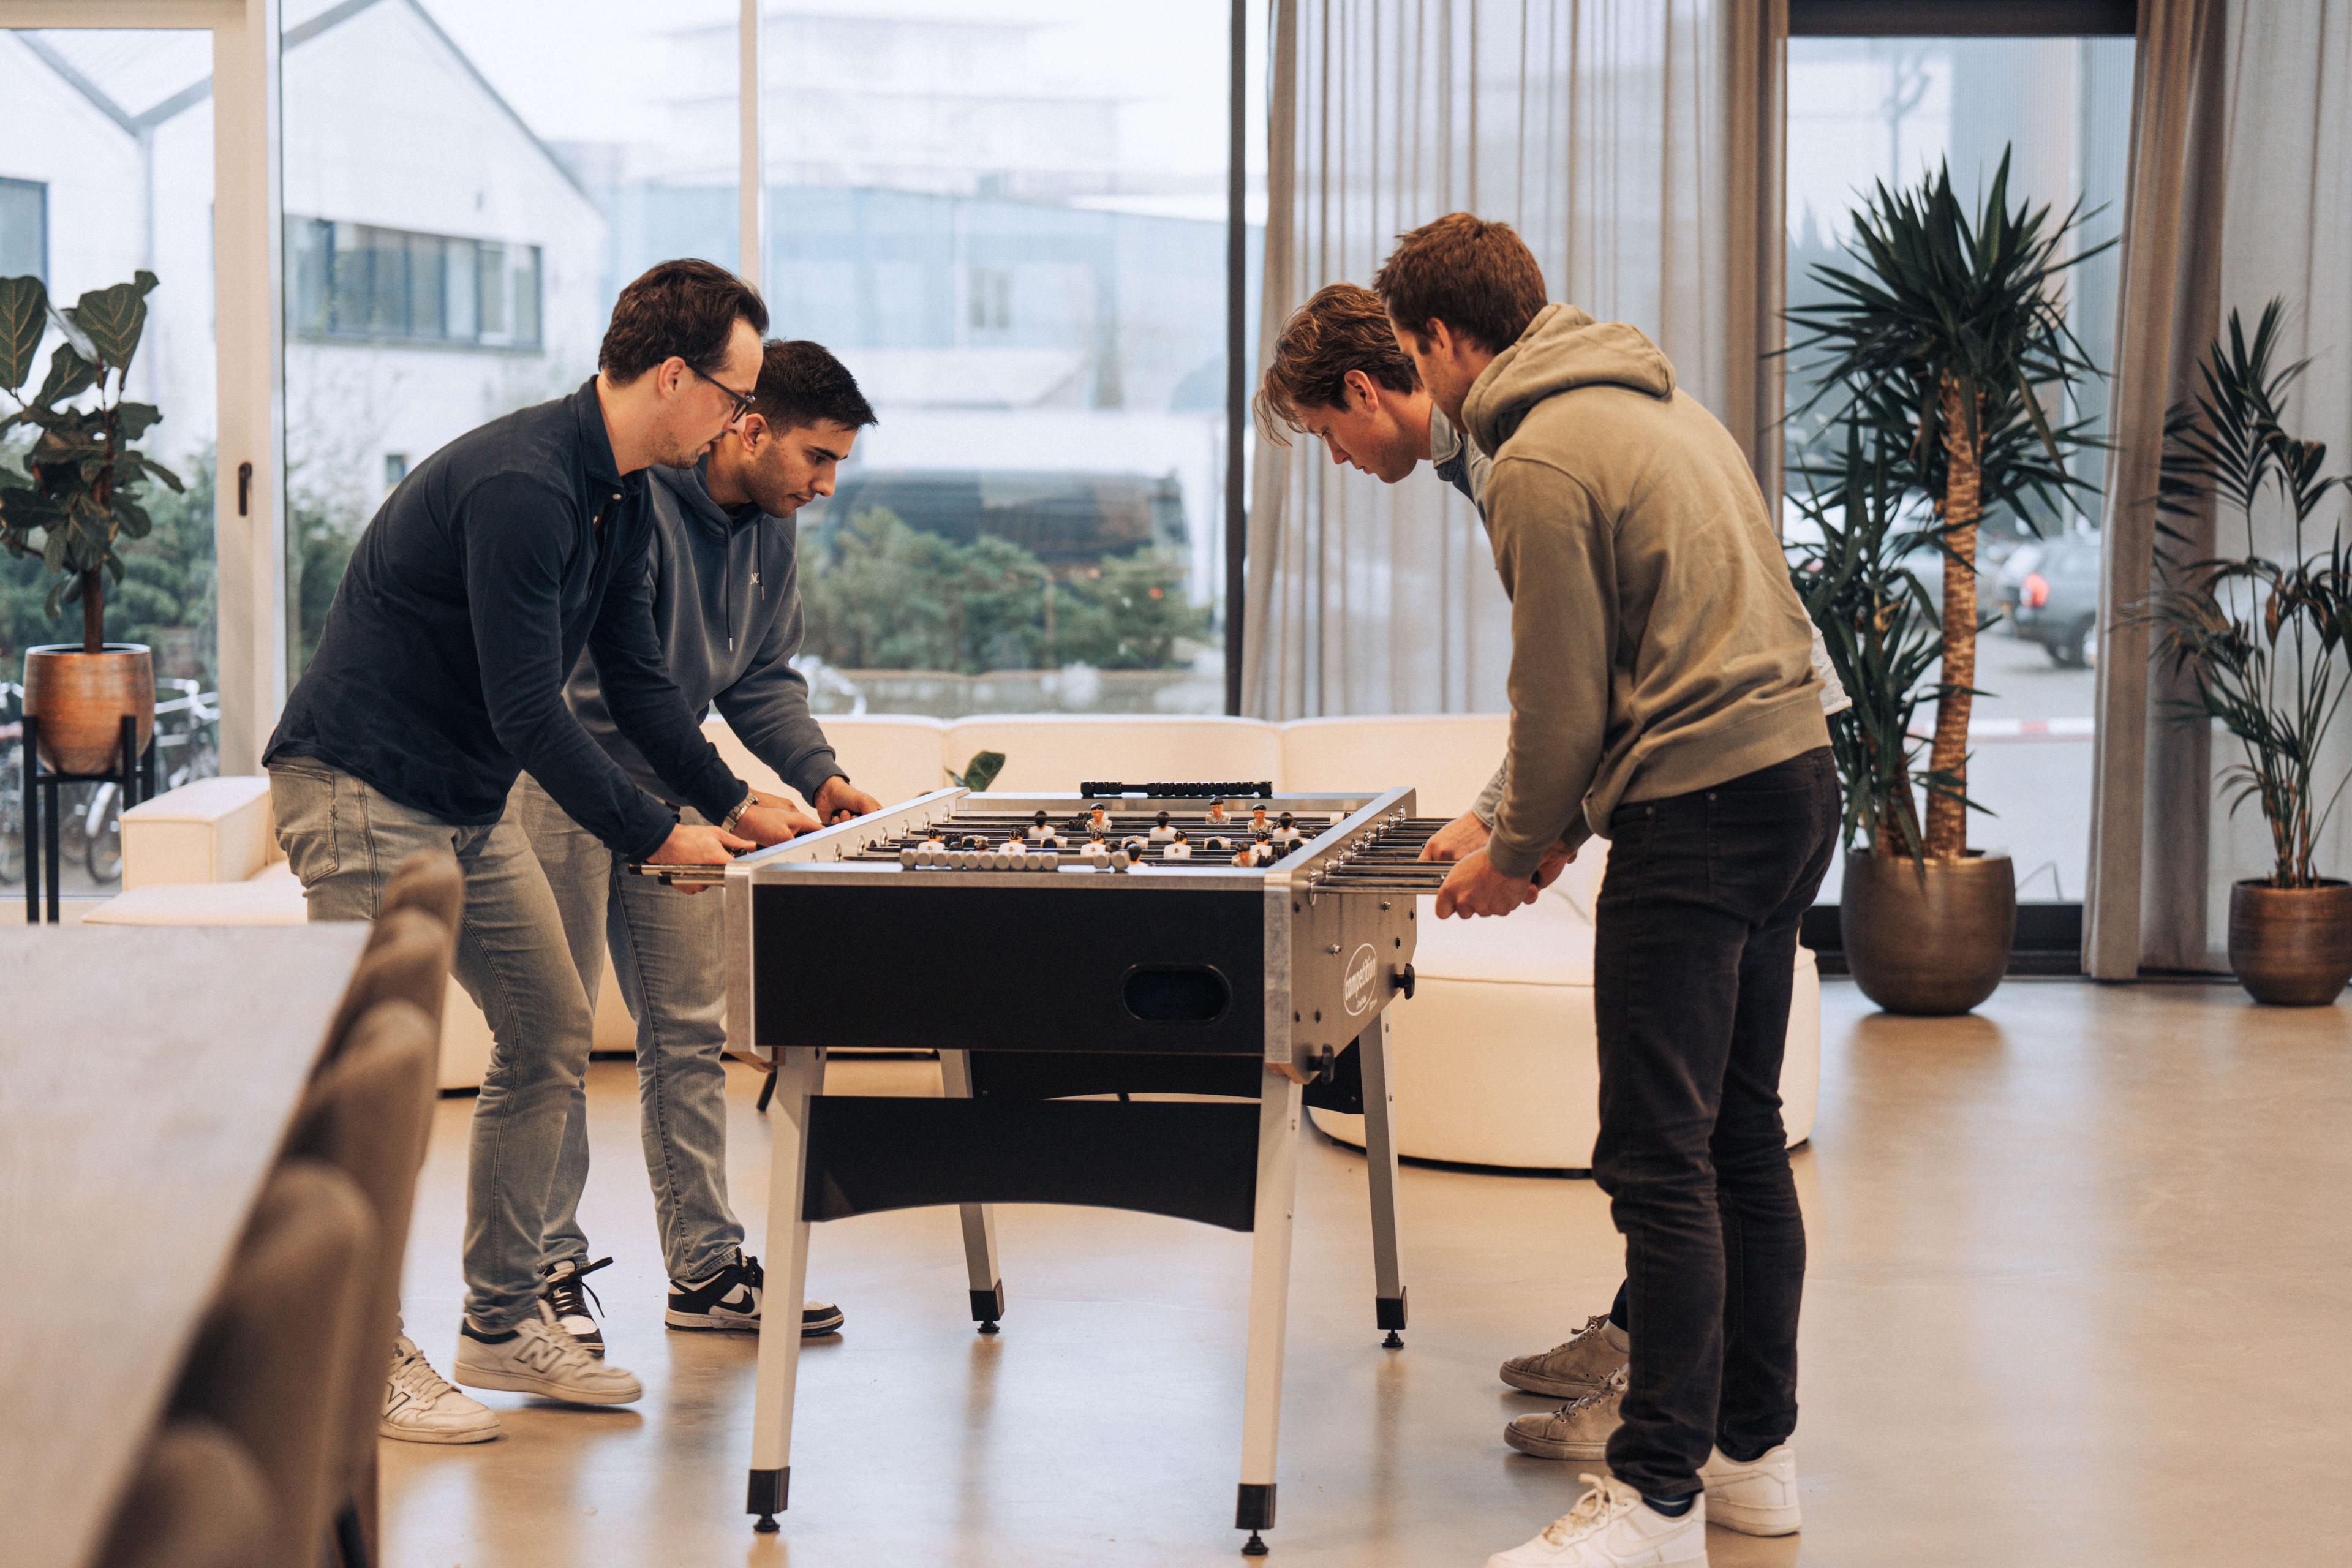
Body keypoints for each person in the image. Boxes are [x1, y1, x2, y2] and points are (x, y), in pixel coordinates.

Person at [1259, 280, 1853, 1476]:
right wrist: (1502, 813)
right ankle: (1741, 1444)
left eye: (1329, 435)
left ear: (1378, 383)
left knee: (1666, 1152)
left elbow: (1578, 687)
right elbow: (1622, 641)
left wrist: (1525, 847)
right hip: (1799, 777)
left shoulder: (1524, 450)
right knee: (1734, 1130)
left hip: (1705, 802)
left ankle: (1657, 1456)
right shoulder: (1636, 397)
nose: (1338, 458)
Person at [266, 258, 810, 1444]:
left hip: (461, 800)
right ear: (675, 376)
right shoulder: (526, 486)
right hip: (360, 790)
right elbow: (531, 708)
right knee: (376, 1081)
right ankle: (356, 1355)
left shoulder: (615, 494)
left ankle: (502, 1318)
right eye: (736, 395)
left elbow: (638, 683)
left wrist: (734, 797)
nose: (743, 421)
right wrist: (656, 827)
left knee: (550, 1027)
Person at [514, 338, 883, 1357]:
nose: (825, 485)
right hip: (565, 785)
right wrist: (716, 795)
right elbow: (593, 689)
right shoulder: (636, 503)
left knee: (686, 1031)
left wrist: (819, 773)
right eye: (818, 458)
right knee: (548, 1035)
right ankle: (543, 1268)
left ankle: (707, 1269)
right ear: (750, 426)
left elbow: (759, 674)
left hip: (679, 792)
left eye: (840, 465)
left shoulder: (769, 528)